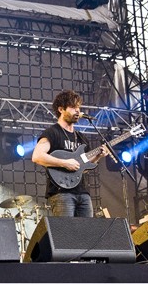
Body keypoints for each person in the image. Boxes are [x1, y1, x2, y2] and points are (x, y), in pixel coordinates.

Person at [32, 89, 108, 217]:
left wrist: (98, 157)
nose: (78, 111)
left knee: (87, 235)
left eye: (78, 107)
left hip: (83, 193)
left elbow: (83, 169)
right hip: (61, 192)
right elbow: (37, 156)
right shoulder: (52, 132)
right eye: (73, 107)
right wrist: (64, 163)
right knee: (67, 233)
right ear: (61, 109)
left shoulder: (81, 137)